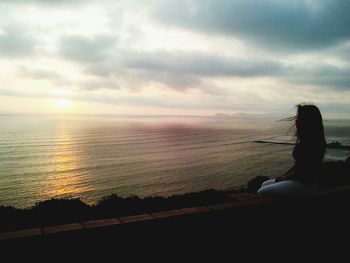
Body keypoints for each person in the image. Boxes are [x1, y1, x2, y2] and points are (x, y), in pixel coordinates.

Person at [258, 104, 326, 196]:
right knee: (264, 184)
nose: (296, 120)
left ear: (308, 121)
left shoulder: (313, 143)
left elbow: (304, 169)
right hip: (298, 180)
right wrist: (283, 176)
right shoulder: (306, 140)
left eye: (299, 117)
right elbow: (297, 165)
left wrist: (285, 178)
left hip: (305, 183)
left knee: (262, 191)